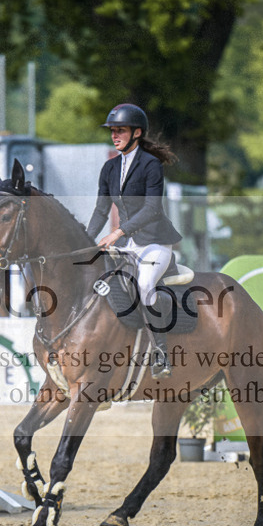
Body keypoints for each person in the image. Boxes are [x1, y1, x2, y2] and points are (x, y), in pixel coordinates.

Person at [86, 103, 182, 380]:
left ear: (137, 133)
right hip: (129, 246)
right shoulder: (109, 168)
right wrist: (85, 240)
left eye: (121, 131)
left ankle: (161, 353)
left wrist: (117, 232)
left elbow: (152, 209)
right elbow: (101, 210)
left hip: (156, 244)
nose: (114, 136)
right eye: (113, 131)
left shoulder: (151, 165)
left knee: (144, 283)